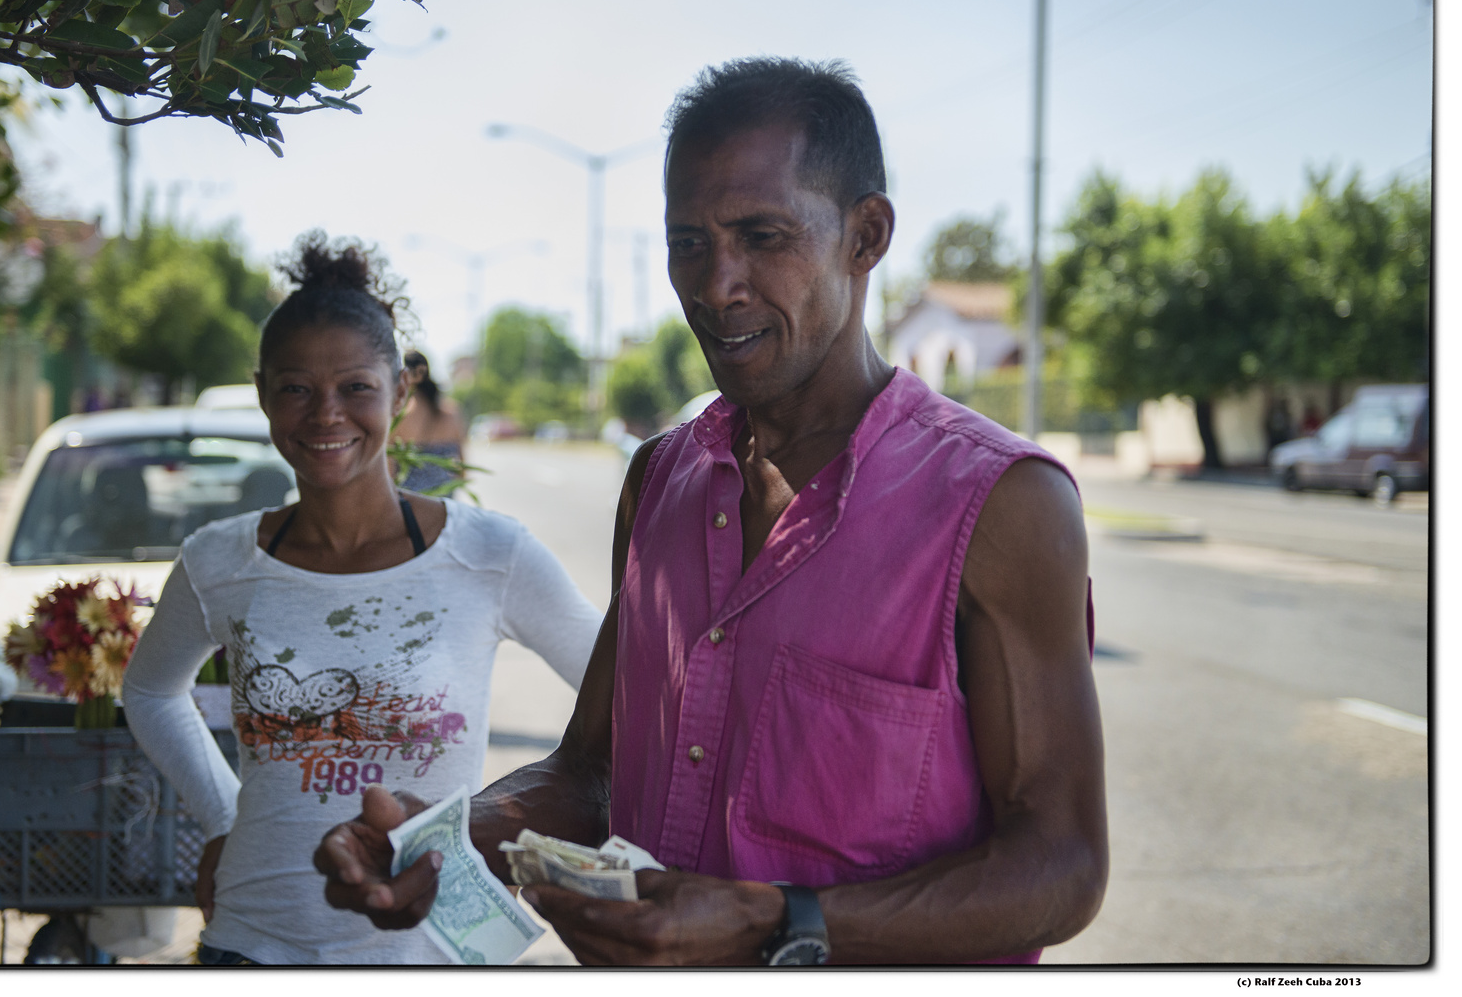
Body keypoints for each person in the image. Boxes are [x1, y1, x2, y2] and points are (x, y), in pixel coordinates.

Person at [314, 58, 1107, 965]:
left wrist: (778, 921)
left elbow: (1063, 867)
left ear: (867, 235)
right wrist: (447, 840)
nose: (716, 283)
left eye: (762, 236)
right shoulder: (658, 479)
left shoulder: (1001, 503)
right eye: (687, 242)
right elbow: (591, 770)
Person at [122, 231, 601, 965]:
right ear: (262, 394)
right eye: (295, 389)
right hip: (253, 943)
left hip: (430, 952)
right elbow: (151, 691)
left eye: (355, 387)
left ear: (400, 391)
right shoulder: (219, 562)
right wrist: (222, 818)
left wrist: (500, 823)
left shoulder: (489, 556)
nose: (326, 415)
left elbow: (626, 705)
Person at [391, 350, 468, 494]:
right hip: (444, 499)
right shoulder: (452, 412)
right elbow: (462, 465)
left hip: (411, 501)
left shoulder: (400, 417)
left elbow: (390, 472)